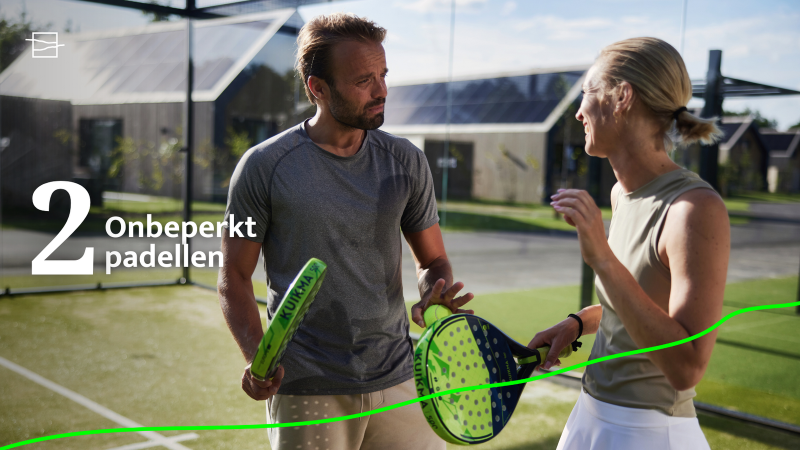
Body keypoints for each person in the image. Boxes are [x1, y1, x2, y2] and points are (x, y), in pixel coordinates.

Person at [217, 13, 473, 450]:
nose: (381, 91)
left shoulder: (406, 161)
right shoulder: (264, 166)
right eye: (363, 80)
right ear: (319, 88)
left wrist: (436, 285)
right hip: (308, 383)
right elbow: (234, 278)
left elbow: (431, 260)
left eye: (383, 75)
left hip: (399, 376)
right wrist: (257, 358)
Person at [528, 37, 729, 450]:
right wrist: (578, 323)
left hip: (650, 433)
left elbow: (687, 366)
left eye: (587, 93)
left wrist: (601, 257)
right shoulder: (622, 194)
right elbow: (640, 299)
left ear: (622, 97)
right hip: (589, 414)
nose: (580, 111)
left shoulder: (694, 208)